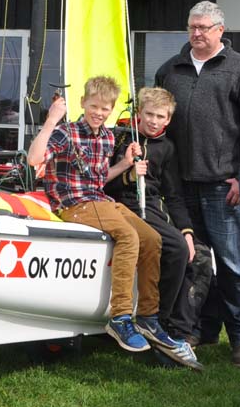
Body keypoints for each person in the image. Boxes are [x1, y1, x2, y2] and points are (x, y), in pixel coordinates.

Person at [27, 76, 193, 365]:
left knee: (152, 238)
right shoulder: (66, 132)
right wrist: (52, 119)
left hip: (100, 199)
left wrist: (125, 164)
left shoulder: (106, 137)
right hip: (73, 204)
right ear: (83, 103)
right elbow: (34, 159)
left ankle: (149, 316)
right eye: (94, 106)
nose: (99, 113)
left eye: (105, 108)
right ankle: (120, 316)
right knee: (128, 236)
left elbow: (100, 179)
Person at [154, 0, 240, 366]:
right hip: (181, 187)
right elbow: (157, 123)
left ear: (220, 30)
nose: (196, 34)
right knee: (194, 264)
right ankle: (196, 328)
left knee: (232, 266)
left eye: (203, 28)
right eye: (192, 27)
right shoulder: (170, 71)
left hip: (223, 186)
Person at [105, 86, 203, 370]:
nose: (154, 121)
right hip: (122, 202)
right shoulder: (121, 138)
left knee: (186, 252)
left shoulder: (168, 148)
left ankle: (168, 324)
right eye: (149, 114)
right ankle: (154, 318)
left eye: (160, 116)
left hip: (153, 208)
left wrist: (186, 230)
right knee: (172, 249)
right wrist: (127, 172)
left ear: (168, 119)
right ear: (139, 114)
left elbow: (173, 194)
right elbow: (103, 180)